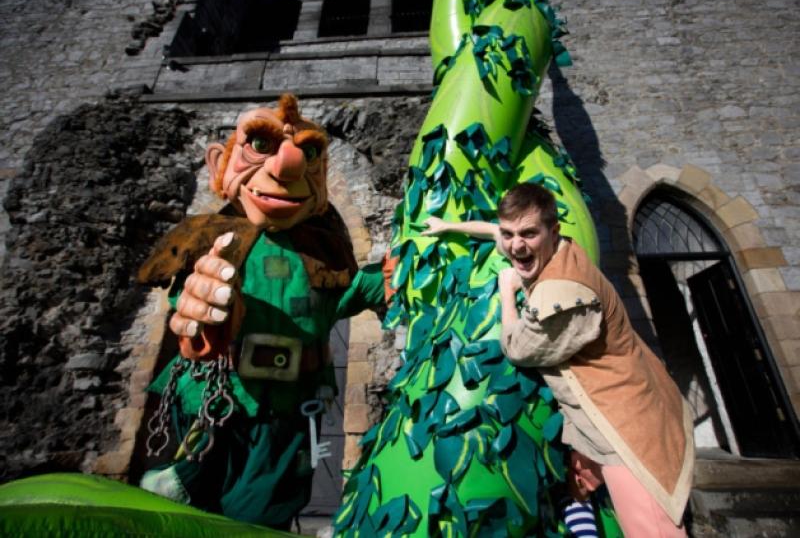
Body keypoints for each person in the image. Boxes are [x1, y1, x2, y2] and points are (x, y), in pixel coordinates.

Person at [136, 95, 389, 529]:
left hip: (289, 410)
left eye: (308, 154)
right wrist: (197, 313)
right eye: (259, 145)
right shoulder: (210, 238)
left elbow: (340, 297)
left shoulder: (322, 255)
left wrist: (394, 276)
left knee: (260, 511)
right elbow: (189, 299)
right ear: (221, 163)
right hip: (215, 397)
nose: (284, 168)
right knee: (190, 500)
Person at [423, 182, 694, 538]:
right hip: (599, 415)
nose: (516, 245)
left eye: (528, 234)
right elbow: (499, 232)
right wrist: (448, 226)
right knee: (577, 485)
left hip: (626, 427)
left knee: (651, 529)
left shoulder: (564, 294)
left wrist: (508, 293)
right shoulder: (553, 249)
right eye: (510, 234)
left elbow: (518, 348)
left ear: (554, 232)